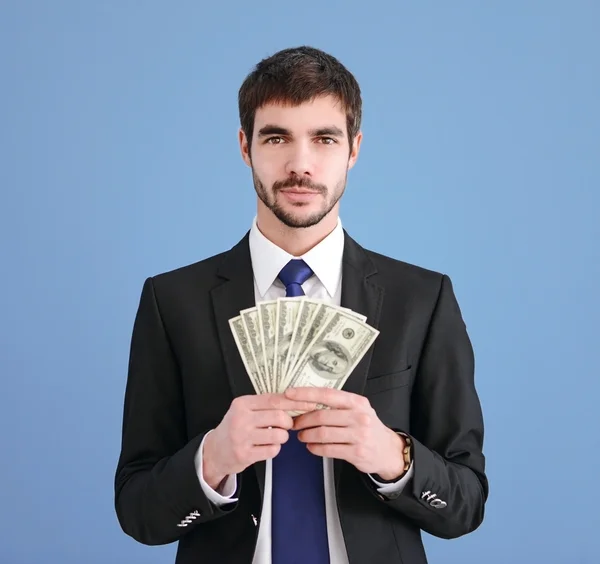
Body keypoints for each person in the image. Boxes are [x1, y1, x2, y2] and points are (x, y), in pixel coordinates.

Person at [114, 45, 489, 564]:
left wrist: (390, 455)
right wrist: (211, 460)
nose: (300, 165)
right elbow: (138, 511)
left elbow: (465, 505)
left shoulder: (422, 299)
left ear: (354, 149)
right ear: (245, 146)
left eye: (324, 139)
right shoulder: (171, 301)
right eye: (276, 138)